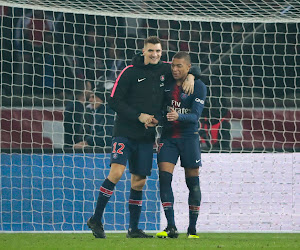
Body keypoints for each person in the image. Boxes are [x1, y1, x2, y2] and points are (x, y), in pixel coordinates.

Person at [87, 36, 200, 239]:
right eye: (151, 51)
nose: (155, 54)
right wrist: (139, 116)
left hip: (147, 136)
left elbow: (187, 68)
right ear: (143, 51)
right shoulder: (130, 72)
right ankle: (96, 218)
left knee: (138, 181)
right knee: (117, 172)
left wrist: (191, 76)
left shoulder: (166, 70)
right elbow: (113, 100)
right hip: (124, 132)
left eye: (158, 51)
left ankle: (133, 229)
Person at [156, 52, 207, 239]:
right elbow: (162, 110)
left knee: (192, 182)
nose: (175, 69)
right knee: (164, 179)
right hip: (168, 137)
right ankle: (170, 226)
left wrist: (179, 116)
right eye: (173, 66)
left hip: (189, 138)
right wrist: (157, 119)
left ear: (188, 68)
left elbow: (195, 116)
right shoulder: (167, 83)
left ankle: (192, 228)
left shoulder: (199, 86)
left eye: (179, 66)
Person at [73, 83, 115, 149]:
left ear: (101, 99)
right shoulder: (94, 112)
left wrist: (88, 142)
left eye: (93, 97)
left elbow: (108, 134)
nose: (90, 100)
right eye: (90, 97)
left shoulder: (110, 113)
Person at [64, 79, 92, 148]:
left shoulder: (82, 105)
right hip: (74, 146)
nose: (91, 91)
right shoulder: (74, 107)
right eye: (89, 89)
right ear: (85, 91)